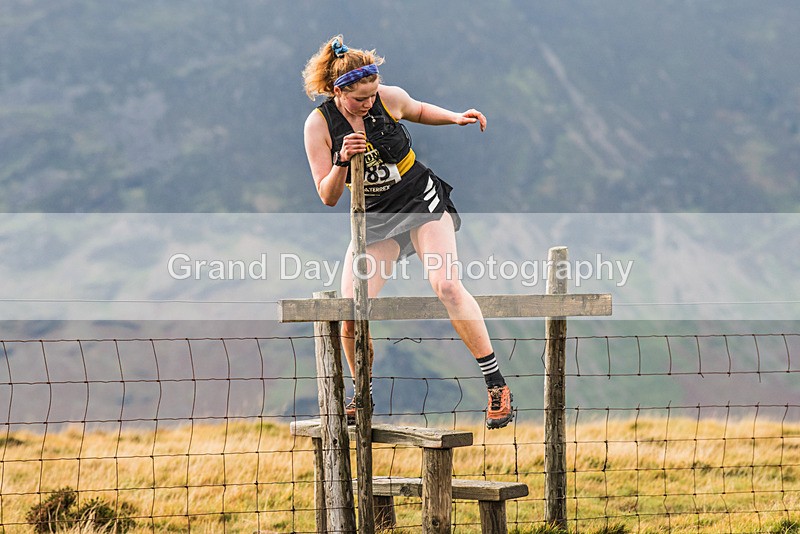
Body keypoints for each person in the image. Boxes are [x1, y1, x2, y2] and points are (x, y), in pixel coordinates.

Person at [301, 35, 513, 430]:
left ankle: (496, 385)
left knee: (447, 286)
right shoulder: (319, 125)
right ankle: (361, 395)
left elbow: (416, 110)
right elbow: (328, 195)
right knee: (351, 312)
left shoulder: (387, 97)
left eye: (372, 95)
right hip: (375, 219)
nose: (368, 104)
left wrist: (455, 117)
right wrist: (342, 161)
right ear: (336, 91)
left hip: (420, 202)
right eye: (360, 99)